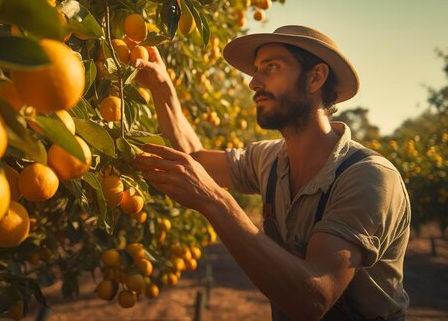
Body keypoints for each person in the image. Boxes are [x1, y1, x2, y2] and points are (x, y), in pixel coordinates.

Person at [132, 25, 410, 320]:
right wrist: (162, 87)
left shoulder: (368, 178)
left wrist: (216, 202)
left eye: (271, 67)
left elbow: (313, 300)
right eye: (256, 70)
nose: (253, 82)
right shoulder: (270, 158)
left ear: (316, 77)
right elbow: (195, 160)